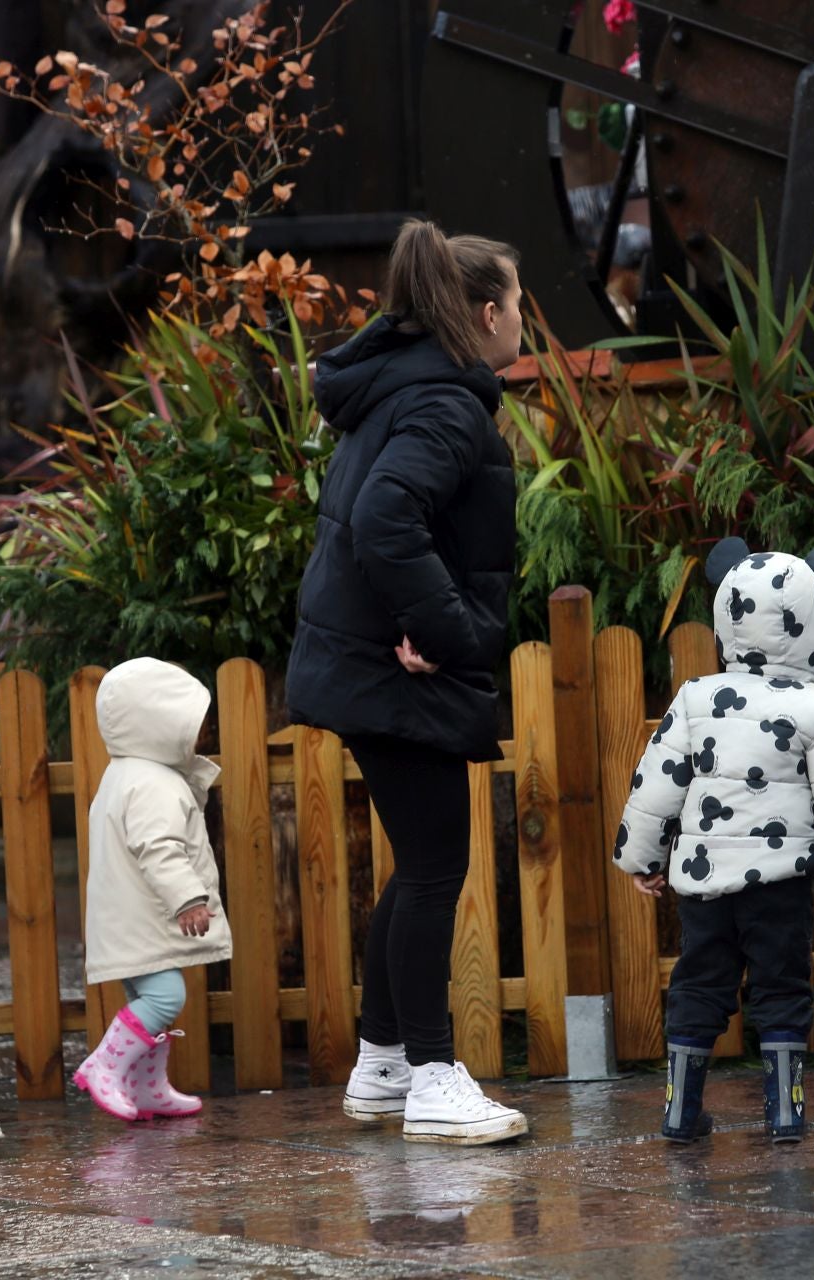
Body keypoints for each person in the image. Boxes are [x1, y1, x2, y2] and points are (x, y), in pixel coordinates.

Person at [285, 218, 527, 1146]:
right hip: (390, 669)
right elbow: (389, 518)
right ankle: (431, 1074)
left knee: (417, 867)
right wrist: (446, 629)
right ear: (488, 311)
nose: (521, 324)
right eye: (516, 306)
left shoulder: (406, 390)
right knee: (434, 871)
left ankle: (386, 1061)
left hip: (360, 663)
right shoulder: (445, 405)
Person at [612, 538, 814, 1144]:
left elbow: (657, 782)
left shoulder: (695, 698)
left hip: (705, 882)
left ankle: (680, 1112)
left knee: (699, 983)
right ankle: (785, 1112)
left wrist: (641, 856)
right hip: (780, 881)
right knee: (781, 986)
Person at [73, 657, 232, 1121]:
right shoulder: (150, 781)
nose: (199, 734)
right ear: (158, 725)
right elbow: (158, 846)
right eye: (189, 724)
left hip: (129, 919)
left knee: (154, 999)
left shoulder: (127, 773)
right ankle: (104, 1065)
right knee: (166, 998)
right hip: (141, 918)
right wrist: (188, 898)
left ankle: (147, 1087)